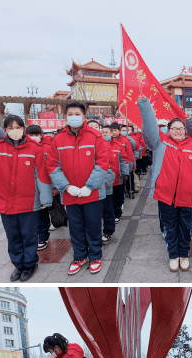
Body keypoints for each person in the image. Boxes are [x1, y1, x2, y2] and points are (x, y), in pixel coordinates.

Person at [137, 94, 192, 272]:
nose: (178, 131)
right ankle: (173, 256)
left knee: (185, 228)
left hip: (187, 196)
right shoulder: (161, 143)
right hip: (165, 195)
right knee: (170, 227)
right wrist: (145, 104)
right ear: (168, 130)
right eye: (174, 128)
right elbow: (151, 127)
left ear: (185, 130)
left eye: (181, 128)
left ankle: (184, 255)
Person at [0, 115, 52, 282]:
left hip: (28, 202)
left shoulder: (34, 148)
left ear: (24, 128)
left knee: (29, 236)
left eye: (17, 127)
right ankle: (19, 264)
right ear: (5, 130)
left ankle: (30, 264)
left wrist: (45, 200)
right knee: (13, 236)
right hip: (4, 202)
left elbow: (42, 176)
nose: (14, 130)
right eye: (10, 128)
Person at [47, 102, 110, 275]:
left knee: (93, 225)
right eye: (70, 114)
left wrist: (90, 186)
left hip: (93, 193)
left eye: (77, 113)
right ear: (66, 117)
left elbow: (103, 163)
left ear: (83, 116)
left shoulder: (95, 136)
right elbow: (52, 165)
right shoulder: (59, 139)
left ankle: (95, 256)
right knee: (75, 227)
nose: (73, 116)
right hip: (71, 195)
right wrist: (66, 187)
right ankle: (79, 256)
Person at [25, 123, 57, 251]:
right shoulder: (22, 146)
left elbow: (52, 168)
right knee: (32, 214)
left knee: (43, 212)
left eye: (36, 134)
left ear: (41, 135)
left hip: (44, 186)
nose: (34, 137)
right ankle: (35, 236)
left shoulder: (48, 147)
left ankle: (43, 236)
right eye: (31, 134)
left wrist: (54, 187)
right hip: (27, 187)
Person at [98, 124, 119, 245]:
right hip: (89, 187)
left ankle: (108, 231)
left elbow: (112, 165)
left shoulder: (106, 145)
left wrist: (107, 182)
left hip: (105, 185)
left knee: (107, 209)